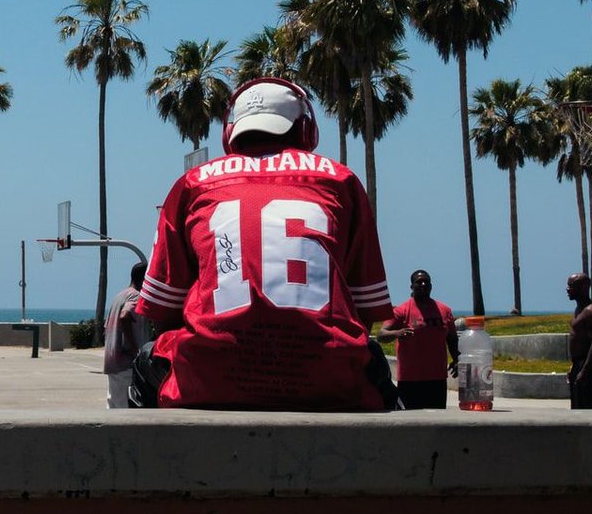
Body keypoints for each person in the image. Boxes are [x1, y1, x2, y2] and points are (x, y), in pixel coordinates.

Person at [131, 77, 395, 411]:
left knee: (146, 359)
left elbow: (163, 312)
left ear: (230, 131)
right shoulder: (341, 180)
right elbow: (364, 310)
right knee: (372, 361)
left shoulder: (193, 184)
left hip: (210, 375)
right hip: (328, 377)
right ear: (304, 128)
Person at [377, 270, 459, 409]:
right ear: (411, 286)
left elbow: (452, 339)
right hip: (410, 380)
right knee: (411, 423)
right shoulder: (401, 311)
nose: (423, 284)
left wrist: (457, 359)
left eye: (426, 281)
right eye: (419, 282)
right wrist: (398, 333)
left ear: (431, 286)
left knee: (437, 422)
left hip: (437, 379)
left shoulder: (444, 310)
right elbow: (381, 335)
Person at [104, 262, 149, 409]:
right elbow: (125, 315)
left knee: (113, 406)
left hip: (113, 361)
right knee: (126, 410)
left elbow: (107, 325)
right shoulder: (136, 297)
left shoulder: (119, 296)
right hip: (127, 364)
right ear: (144, 278)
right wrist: (134, 348)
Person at [566, 272, 592, 409]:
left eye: (571, 286)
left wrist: (584, 370)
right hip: (578, 363)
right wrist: (574, 367)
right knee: (577, 405)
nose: (567, 289)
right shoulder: (578, 309)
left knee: (589, 405)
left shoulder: (591, 311)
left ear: (583, 287)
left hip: (589, 366)